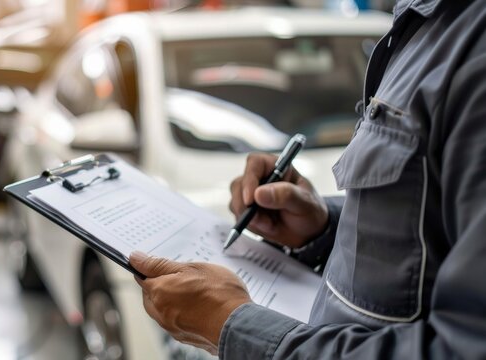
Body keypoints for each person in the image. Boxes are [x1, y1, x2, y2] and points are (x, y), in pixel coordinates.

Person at [129, 0, 486, 358]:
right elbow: (432, 224)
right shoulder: (425, 23)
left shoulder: (472, 42)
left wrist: (229, 324)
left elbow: (462, 348)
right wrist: (324, 226)